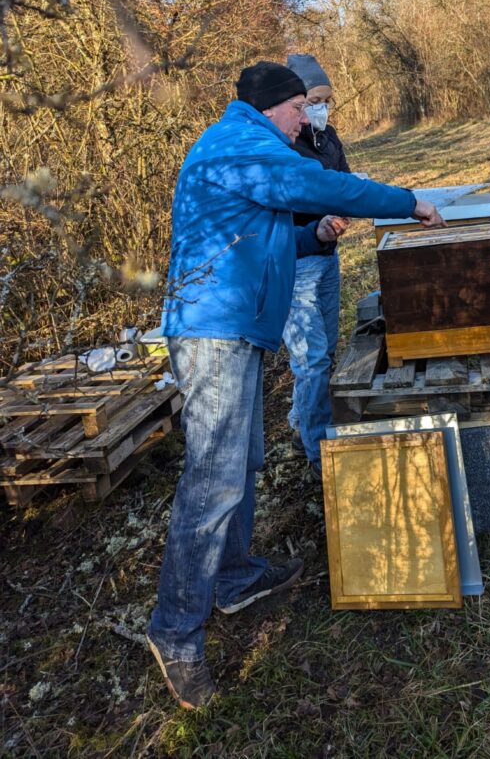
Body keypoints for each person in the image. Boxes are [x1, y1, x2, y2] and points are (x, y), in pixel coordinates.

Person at [147, 61, 444, 709]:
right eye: (298, 111)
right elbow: (330, 183)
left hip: (234, 326)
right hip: (214, 330)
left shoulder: (240, 147)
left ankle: (231, 575)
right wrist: (408, 201)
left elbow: (267, 232)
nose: (307, 120)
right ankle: (174, 628)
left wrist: (312, 234)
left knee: (241, 460)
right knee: (215, 474)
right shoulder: (246, 145)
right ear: (273, 107)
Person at [282, 54, 349, 478]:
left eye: (327, 100)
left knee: (323, 351)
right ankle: (317, 451)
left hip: (328, 257)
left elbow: (342, 181)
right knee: (312, 361)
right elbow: (289, 204)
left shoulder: (330, 137)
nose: (322, 109)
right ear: (297, 103)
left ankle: (300, 420)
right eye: (314, 100)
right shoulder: (285, 144)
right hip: (299, 262)